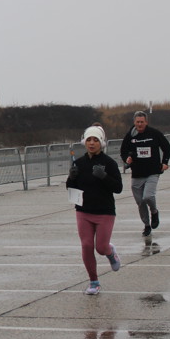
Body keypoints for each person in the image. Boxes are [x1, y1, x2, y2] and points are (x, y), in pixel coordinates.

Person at [66, 125, 123, 296]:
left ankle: (110, 253)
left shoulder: (109, 163)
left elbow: (118, 188)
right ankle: (94, 282)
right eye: (89, 140)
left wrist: (104, 176)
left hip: (104, 211)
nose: (92, 143)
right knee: (87, 245)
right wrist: (71, 177)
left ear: (101, 143)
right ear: (84, 142)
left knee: (101, 247)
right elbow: (71, 188)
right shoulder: (78, 163)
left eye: (95, 140)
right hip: (83, 211)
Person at [119, 111, 170, 237]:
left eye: (142, 122)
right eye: (137, 122)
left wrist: (165, 162)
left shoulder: (154, 133)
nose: (139, 124)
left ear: (146, 122)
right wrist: (127, 159)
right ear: (134, 122)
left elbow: (166, 147)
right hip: (137, 173)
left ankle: (154, 212)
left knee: (148, 196)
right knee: (140, 202)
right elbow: (123, 151)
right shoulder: (130, 135)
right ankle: (147, 225)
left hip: (153, 172)